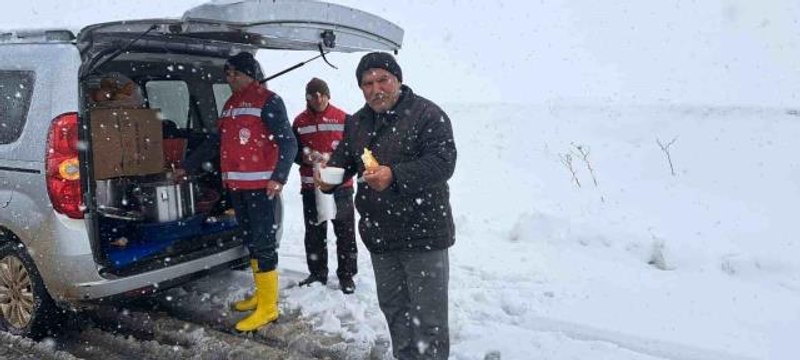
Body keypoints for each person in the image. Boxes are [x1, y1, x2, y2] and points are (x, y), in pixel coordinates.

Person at [317, 52, 457, 359]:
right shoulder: (356, 122)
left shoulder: (427, 114)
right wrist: (327, 175)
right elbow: (343, 161)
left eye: (383, 79)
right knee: (395, 311)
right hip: (380, 236)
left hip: (423, 235)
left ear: (398, 80)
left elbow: (443, 163)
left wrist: (394, 174)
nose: (376, 88)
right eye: (367, 83)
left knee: (428, 320)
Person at [216, 52, 297, 332]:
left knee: (263, 243)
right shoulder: (230, 104)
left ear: (247, 73)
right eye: (227, 73)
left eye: (233, 73)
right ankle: (261, 296)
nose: (229, 78)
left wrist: (279, 178)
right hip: (237, 187)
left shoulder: (269, 100)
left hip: (261, 188)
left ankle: (269, 307)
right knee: (251, 240)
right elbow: (219, 141)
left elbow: (289, 143)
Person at [292, 78, 358, 294]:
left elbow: (353, 152)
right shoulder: (299, 122)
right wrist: (305, 156)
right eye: (313, 95)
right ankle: (317, 273)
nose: (318, 98)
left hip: (341, 187)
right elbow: (291, 151)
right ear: (307, 98)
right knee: (314, 233)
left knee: (345, 233)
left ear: (328, 95)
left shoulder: (344, 118)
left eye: (322, 94)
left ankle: (346, 276)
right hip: (311, 187)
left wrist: (334, 159)